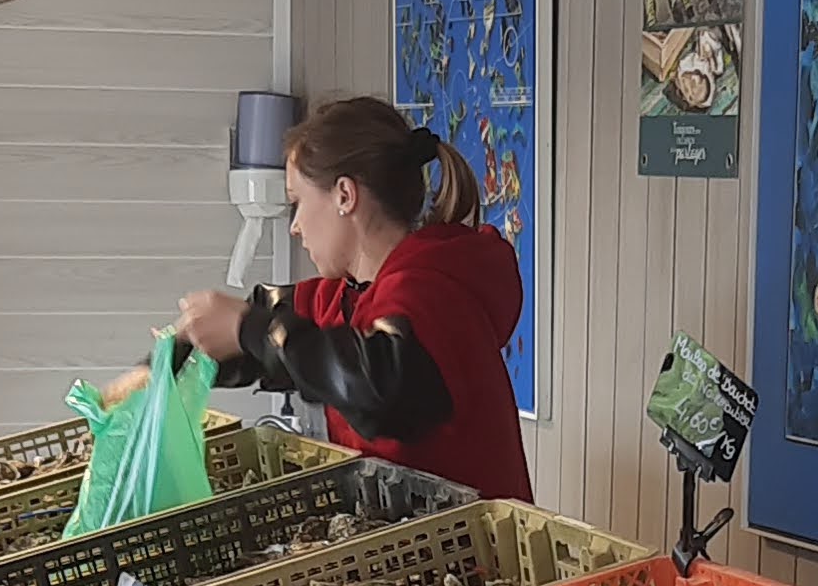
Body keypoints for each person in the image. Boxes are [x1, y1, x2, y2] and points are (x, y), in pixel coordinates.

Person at [138, 95, 532, 501]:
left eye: (297, 202)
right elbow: (277, 337)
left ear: (345, 195)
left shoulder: (431, 293)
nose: (295, 227)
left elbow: (376, 388)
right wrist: (167, 361)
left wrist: (248, 328)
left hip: (470, 539)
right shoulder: (345, 297)